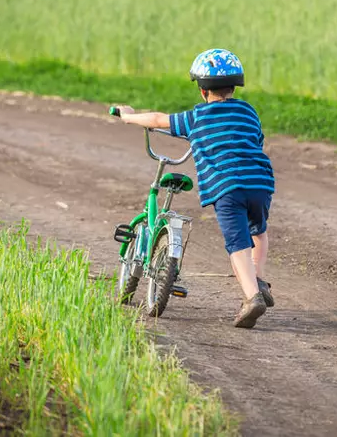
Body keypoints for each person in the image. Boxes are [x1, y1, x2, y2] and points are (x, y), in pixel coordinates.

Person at [114, 48, 275, 329]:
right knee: (258, 232)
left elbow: (156, 120)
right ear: (235, 86)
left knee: (237, 245)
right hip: (260, 183)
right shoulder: (249, 111)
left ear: (202, 91)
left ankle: (253, 297)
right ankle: (259, 278)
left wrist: (127, 116)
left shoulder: (196, 117)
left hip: (227, 188)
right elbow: (257, 140)